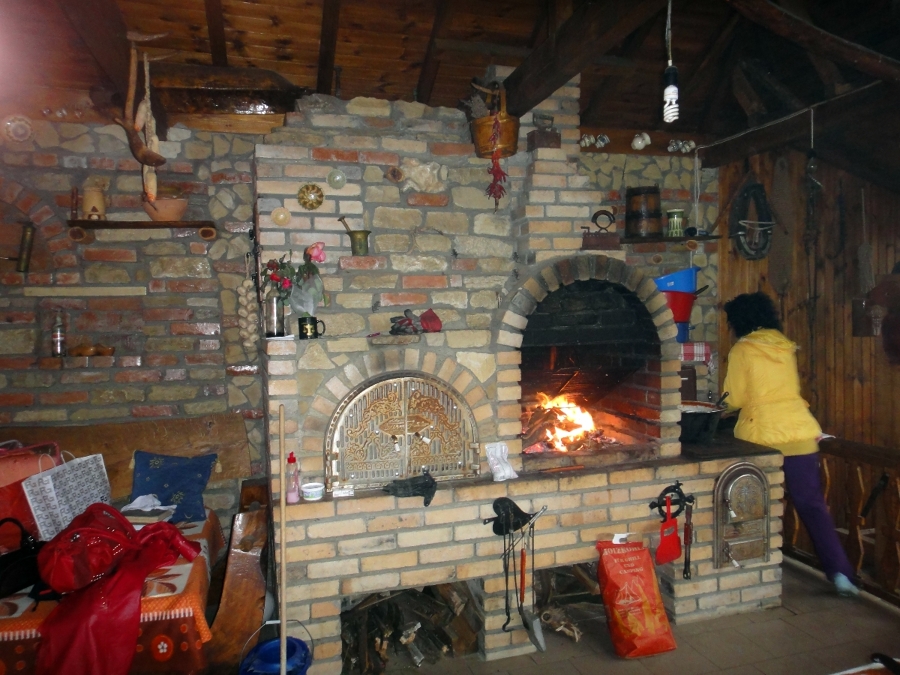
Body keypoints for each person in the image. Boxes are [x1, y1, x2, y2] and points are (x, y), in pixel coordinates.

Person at [722, 291, 859, 597]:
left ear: (739, 320)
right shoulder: (784, 347)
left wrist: (717, 405)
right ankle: (841, 574)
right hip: (799, 431)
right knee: (812, 506)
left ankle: (753, 572)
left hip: (761, 438)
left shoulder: (743, 349)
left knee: (755, 508)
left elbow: (737, 398)